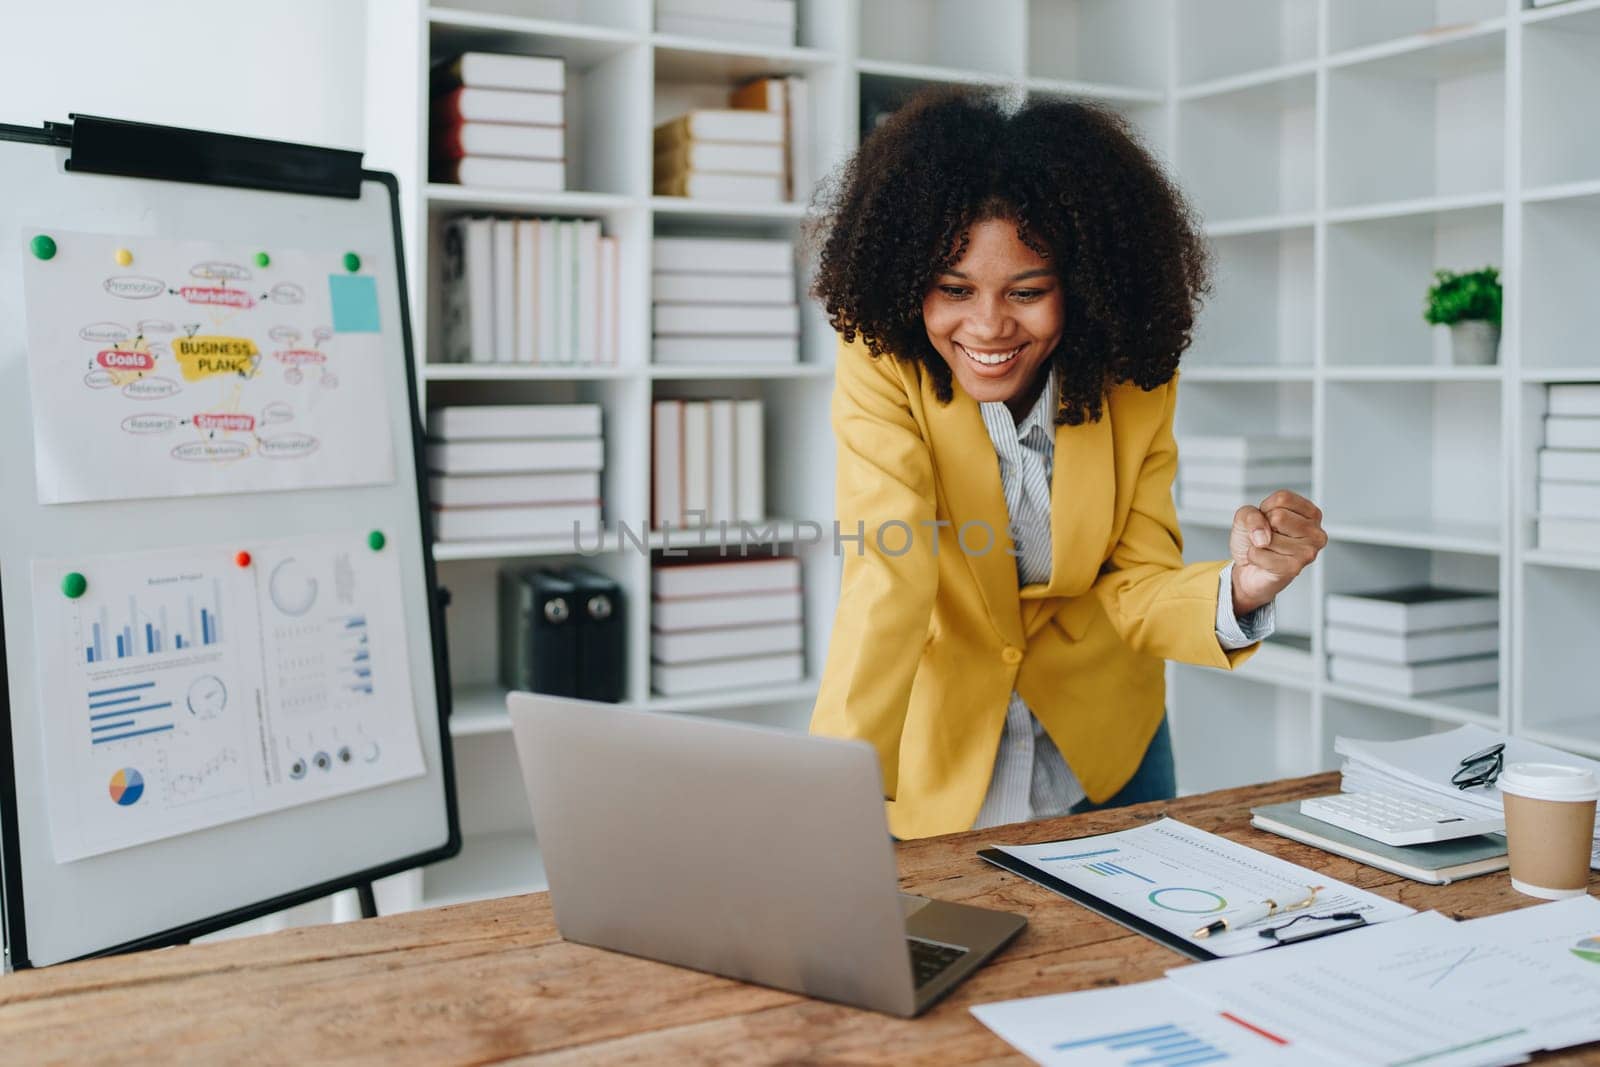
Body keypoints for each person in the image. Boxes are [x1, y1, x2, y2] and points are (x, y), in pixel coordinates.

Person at [806, 88, 1327, 841]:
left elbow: (1136, 580)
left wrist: (1244, 587)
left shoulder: (1133, 373)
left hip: (1106, 751)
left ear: (1078, 288)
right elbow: (891, 568)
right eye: (954, 290)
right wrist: (831, 783)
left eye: (1027, 291)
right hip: (937, 756)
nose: (987, 326)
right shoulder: (882, 362)